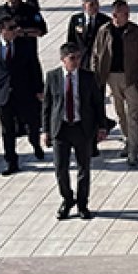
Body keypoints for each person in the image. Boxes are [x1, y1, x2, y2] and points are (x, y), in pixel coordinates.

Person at [42, 42, 107, 220]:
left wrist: (101, 126)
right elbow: (47, 106)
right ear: (63, 60)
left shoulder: (88, 77)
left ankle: (83, 203)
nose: (76, 61)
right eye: (72, 58)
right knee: (60, 168)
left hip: (82, 128)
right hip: (61, 129)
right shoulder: (53, 77)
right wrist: (46, 130)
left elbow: (97, 104)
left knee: (83, 168)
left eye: (78, 57)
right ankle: (68, 198)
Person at [91, 0, 138, 167]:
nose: (127, 16)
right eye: (123, 13)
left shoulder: (135, 31)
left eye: (127, 12)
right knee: (120, 113)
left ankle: (133, 151)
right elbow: (96, 55)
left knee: (133, 115)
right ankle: (127, 140)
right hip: (111, 77)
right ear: (114, 15)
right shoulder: (104, 31)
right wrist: (96, 76)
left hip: (131, 77)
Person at [0, 17, 44, 175]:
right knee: (7, 129)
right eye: (11, 28)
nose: (16, 30)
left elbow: (35, 67)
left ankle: (35, 143)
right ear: (1, 30)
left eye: (16, 27)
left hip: (24, 92)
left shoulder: (25, 45)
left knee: (32, 122)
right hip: (3, 94)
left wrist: (39, 89)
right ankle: (11, 161)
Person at [66, 0, 110, 72]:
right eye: (91, 4)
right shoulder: (75, 19)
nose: (95, 7)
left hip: (98, 62)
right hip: (81, 61)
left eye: (97, 3)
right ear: (84, 6)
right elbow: (71, 40)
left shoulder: (105, 20)